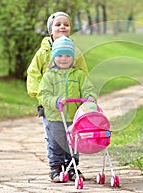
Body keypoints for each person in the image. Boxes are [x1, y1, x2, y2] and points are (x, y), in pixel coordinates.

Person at [26, 12, 89, 180]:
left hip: (72, 105)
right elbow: (33, 73)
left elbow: (83, 75)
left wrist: (86, 96)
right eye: (58, 24)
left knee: (73, 137)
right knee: (54, 137)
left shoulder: (75, 52)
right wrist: (41, 95)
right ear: (50, 30)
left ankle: (72, 167)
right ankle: (55, 167)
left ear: (70, 29)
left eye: (66, 24)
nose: (62, 27)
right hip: (51, 105)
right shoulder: (43, 52)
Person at [38, 36, 97, 182]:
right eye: (59, 55)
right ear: (53, 57)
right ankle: (56, 168)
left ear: (73, 58)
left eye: (67, 56)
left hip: (75, 116)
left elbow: (88, 89)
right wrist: (56, 101)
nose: (63, 59)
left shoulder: (79, 75)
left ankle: (72, 167)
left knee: (74, 143)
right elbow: (43, 95)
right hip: (55, 117)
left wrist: (90, 97)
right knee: (56, 143)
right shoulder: (49, 76)